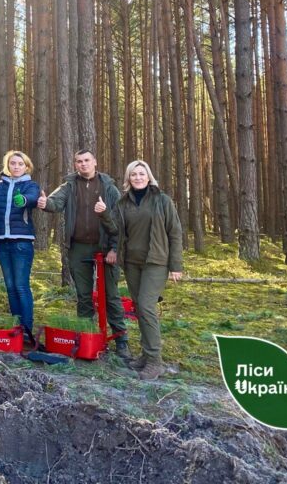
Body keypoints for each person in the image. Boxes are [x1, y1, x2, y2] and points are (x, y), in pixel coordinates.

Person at [37, 149, 130, 358]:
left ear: (95, 162)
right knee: (84, 295)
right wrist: (45, 204)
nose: (83, 164)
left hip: (105, 246)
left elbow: (120, 222)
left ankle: (121, 340)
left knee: (111, 295)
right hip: (79, 247)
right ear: (75, 164)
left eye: (87, 160)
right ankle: (86, 338)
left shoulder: (109, 187)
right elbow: (55, 202)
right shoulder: (69, 185)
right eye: (79, 161)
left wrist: (114, 248)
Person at [110, 160, 184, 379]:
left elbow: (175, 232)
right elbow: (115, 230)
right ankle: (145, 354)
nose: (138, 178)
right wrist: (103, 215)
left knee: (146, 305)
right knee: (139, 308)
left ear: (149, 176)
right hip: (132, 262)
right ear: (128, 178)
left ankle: (154, 361)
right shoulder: (123, 203)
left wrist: (176, 265)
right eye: (134, 175)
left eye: (142, 174)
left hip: (156, 262)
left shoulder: (162, 200)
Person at [0, 150, 42, 347]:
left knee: (21, 286)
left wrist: (24, 200)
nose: (16, 166)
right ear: (7, 165)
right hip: (2, 242)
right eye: (13, 163)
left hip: (22, 242)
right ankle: (17, 328)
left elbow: (33, 198)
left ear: (26, 167)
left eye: (20, 164)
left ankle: (27, 330)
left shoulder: (30, 185)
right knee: (10, 288)